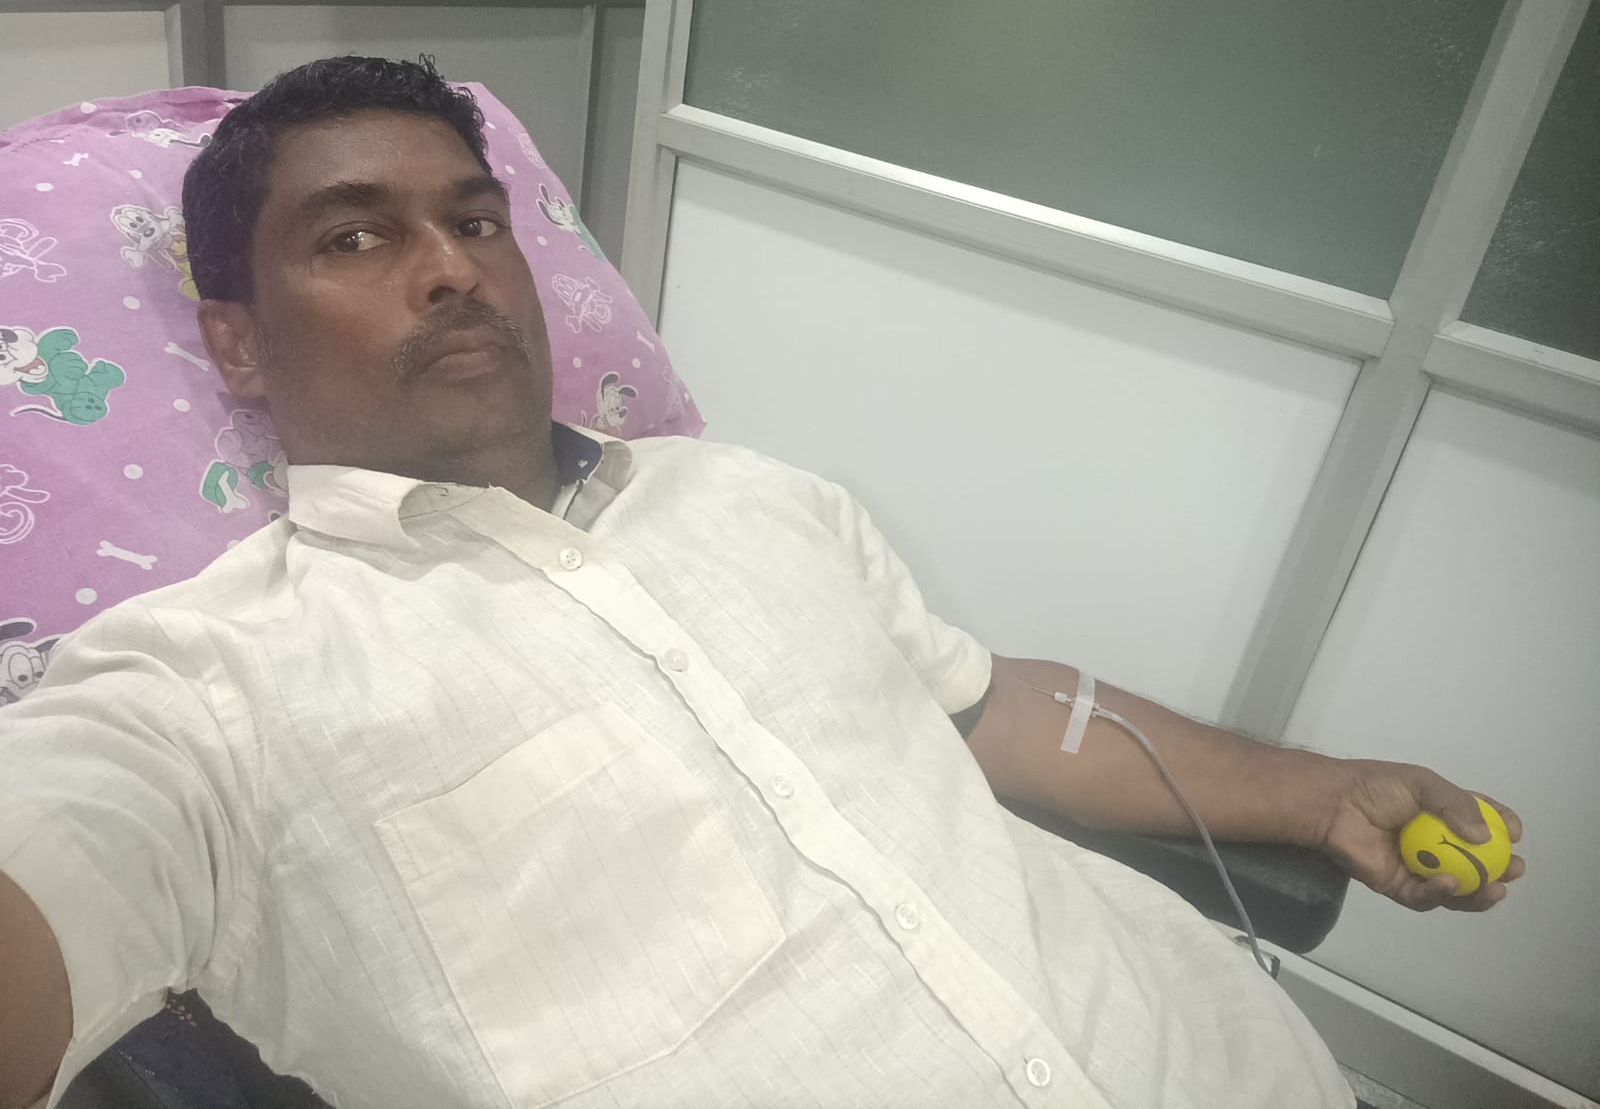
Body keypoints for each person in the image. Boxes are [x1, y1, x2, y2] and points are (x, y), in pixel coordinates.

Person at [0, 57, 1523, 1109]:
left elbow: (992, 706)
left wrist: (1320, 790)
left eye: (475, 221)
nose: (454, 267)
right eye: (354, 236)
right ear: (236, 341)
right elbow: (66, 859)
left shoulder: (748, 496)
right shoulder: (204, 688)